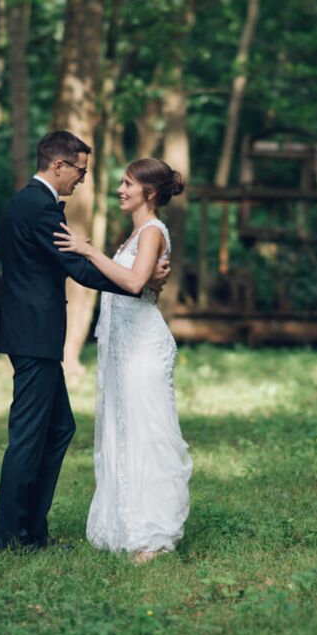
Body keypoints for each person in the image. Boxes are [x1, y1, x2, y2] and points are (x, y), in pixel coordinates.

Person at [0, 132, 170, 551]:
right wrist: (138, 283)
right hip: (34, 335)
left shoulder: (27, 201)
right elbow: (77, 269)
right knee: (29, 435)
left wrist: (134, 278)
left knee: (59, 427)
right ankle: (13, 537)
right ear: (59, 165)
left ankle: (32, 530)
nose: (82, 179)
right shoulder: (40, 208)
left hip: (31, 334)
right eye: (80, 170)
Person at [54, 158, 192, 563]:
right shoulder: (135, 236)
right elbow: (135, 276)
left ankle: (153, 534)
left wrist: (86, 249)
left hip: (143, 349)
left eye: (128, 183)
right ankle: (126, 524)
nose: (120, 189)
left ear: (149, 193)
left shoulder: (151, 232)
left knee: (147, 434)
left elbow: (132, 283)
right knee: (123, 431)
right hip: (122, 348)